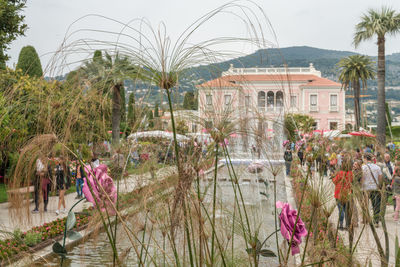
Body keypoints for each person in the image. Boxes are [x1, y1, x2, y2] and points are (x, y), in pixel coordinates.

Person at [361, 153, 383, 227]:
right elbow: (380, 178)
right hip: (374, 188)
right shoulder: (377, 167)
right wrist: (379, 185)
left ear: (365, 159)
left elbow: (362, 178)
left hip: (366, 189)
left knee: (365, 205)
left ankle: (366, 219)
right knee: (376, 205)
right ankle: (376, 221)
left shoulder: (363, 167)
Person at [333, 157, 353, 230]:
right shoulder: (351, 173)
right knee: (347, 210)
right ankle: (347, 225)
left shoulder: (340, 173)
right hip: (347, 194)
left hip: (339, 194)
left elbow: (334, 181)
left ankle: (341, 225)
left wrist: (333, 176)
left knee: (340, 210)